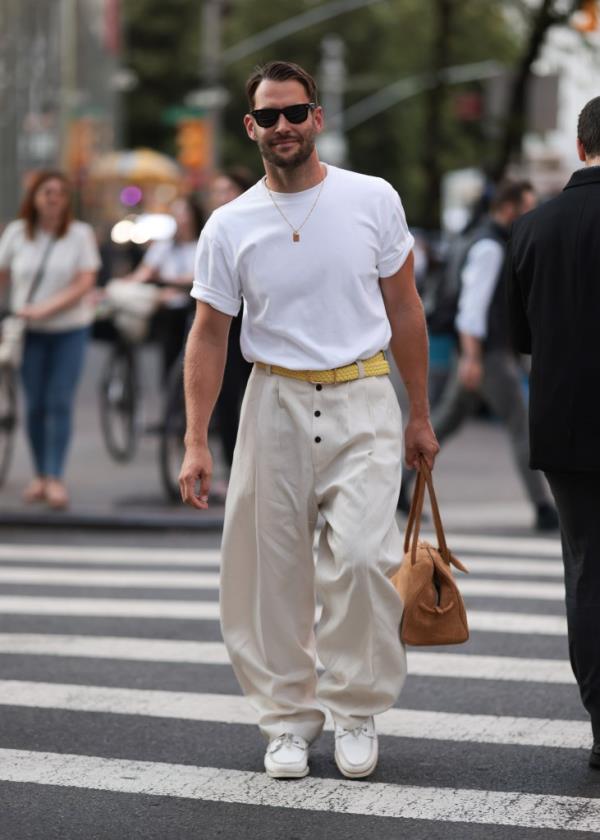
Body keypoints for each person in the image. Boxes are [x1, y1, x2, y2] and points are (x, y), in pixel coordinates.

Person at [179, 60, 438, 780]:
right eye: (269, 116)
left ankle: (356, 708)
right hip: (274, 401)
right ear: (251, 127)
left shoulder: (371, 199)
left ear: (317, 117)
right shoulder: (228, 224)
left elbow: (405, 308)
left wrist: (420, 414)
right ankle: (288, 720)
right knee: (271, 575)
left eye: (296, 113)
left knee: (361, 560)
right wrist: (196, 440)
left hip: (363, 395)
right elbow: (208, 333)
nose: (284, 127)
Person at [506, 96, 600, 770]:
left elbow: (519, 336)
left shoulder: (534, 226)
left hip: (564, 424)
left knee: (587, 572)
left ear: (579, 143)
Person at [399, 180, 558, 532]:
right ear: (509, 207)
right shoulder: (490, 246)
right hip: (487, 355)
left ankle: (398, 483)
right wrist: (472, 357)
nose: (531, 214)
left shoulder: (479, 238)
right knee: (522, 425)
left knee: (445, 422)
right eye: (527, 206)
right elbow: (472, 307)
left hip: (475, 353)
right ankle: (544, 507)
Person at [0, 170, 100, 509]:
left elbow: (85, 281)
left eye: (58, 192)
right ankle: (40, 475)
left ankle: (56, 476)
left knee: (58, 401)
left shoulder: (79, 234)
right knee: (35, 404)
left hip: (68, 330)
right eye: (46, 192)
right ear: (34, 197)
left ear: (66, 199)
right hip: (28, 332)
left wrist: (46, 308)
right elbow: (3, 276)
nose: (52, 198)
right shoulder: (17, 233)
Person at [122, 195, 205, 382]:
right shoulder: (164, 246)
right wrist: (125, 285)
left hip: (193, 305)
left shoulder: (203, 244)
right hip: (167, 309)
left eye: (183, 212)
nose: (179, 218)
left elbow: (200, 278)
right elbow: (144, 272)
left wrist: (169, 281)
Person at [206, 169, 254, 485]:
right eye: (218, 190)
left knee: (254, 397)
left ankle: (252, 464)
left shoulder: (254, 222)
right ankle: (231, 465)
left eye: (229, 189)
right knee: (226, 397)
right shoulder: (216, 226)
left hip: (252, 324)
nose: (223, 196)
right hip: (223, 323)